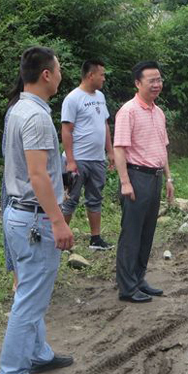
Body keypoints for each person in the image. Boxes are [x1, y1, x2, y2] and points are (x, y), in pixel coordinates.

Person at [0, 46, 76, 374]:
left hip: (18, 213)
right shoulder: (37, 117)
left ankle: (38, 354)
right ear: (46, 74)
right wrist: (59, 222)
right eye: (58, 70)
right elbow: (38, 175)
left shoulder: (19, 108)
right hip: (35, 219)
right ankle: (13, 373)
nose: (61, 75)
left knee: (31, 292)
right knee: (29, 299)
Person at [113, 61, 174, 303]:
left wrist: (168, 177)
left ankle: (139, 279)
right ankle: (127, 287)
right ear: (138, 83)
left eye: (159, 80)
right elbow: (119, 149)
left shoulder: (158, 112)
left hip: (156, 177)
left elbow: (163, 148)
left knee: (147, 233)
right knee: (132, 234)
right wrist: (125, 182)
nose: (157, 84)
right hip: (136, 177)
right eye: (152, 80)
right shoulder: (128, 111)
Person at [61, 59, 115, 251]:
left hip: (97, 159)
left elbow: (105, 125)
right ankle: (60, 241)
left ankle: (95, 239)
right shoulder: (73, 98)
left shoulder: (100, 96)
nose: (104, 78)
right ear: (91, 75)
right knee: (70, 199)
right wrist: (70, 161)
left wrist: (110, 151)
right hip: (78, 160)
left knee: (95, 198)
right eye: (102, 74)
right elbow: (66, 130)